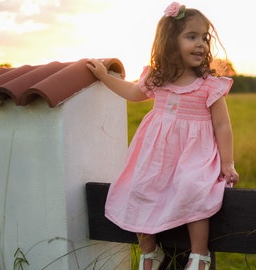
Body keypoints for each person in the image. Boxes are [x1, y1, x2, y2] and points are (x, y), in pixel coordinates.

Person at [86, 2, 239, 269]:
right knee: (140, 186)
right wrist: (104, 77)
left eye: (204, 37)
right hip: (158, 154)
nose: (201, 44)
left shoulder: (209, 86)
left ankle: (199, 254)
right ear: (170, 42)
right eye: (191, 36)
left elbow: (223, 127)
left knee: (193, 186)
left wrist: (227, 163)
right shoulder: (158, 79)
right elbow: (133, 94)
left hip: (195, 155)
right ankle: (150, 250)